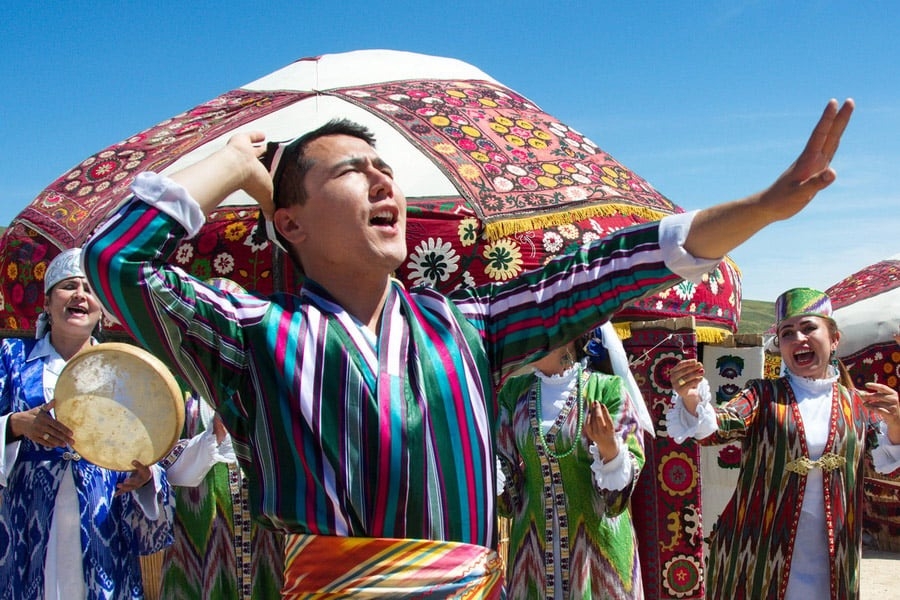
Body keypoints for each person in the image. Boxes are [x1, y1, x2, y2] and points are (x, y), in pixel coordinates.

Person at [82, 99, 853, 596]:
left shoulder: (468, 325)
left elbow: (600, 270)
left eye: (389, 172)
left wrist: (763, 207)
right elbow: (118, 260)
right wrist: (236, 160)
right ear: (290, 224)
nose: (386, 185)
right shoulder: (254, 335)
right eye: (355, 171)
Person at [666, 287, 900, 600]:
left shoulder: (857, 404)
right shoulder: (761, 395)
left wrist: (896, 422)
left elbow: (886, 463)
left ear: (834, 339)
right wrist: (693, 399)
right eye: (787, 333)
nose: (798, 339)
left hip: (834, 555)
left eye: (809, 328)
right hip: (760, 552)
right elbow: (716, 429)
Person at [0, 248, 173, 600]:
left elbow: (146, 445)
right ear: (47, 304)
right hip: (24, 520)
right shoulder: (11, 359)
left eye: (88, 289)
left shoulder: (126, 371)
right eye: (67, 286)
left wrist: (145, 477)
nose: (79, 294)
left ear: (103, 312)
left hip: (101, 518)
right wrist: (15, 424)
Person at [497, 322, 646, 599]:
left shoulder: (608, 390)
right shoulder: (513, 393)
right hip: (533, 554)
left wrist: (609, 448)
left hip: (599, 554)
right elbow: (503, 484)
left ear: (566, 335)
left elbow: (618, 498)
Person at [160, 391, 284, 599]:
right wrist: (213, 435)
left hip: (262, 523)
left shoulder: (266, 381)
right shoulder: (179, 388)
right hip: (199, 526)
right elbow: (162, 462)